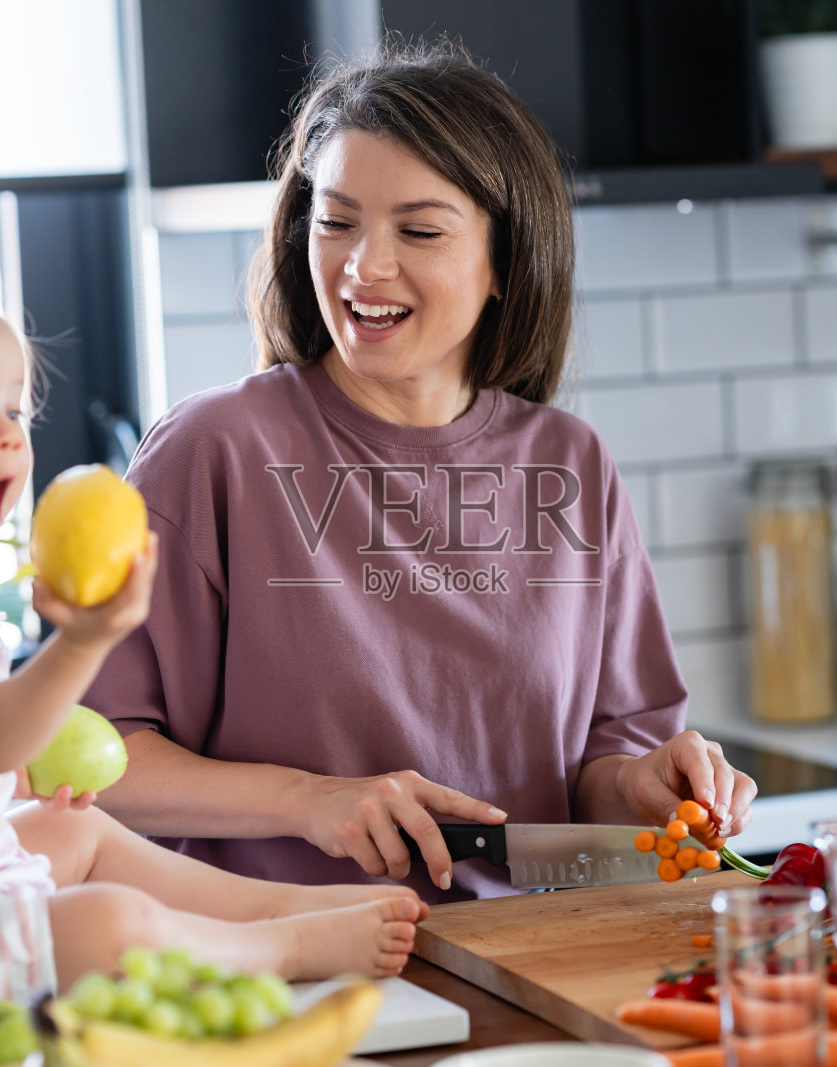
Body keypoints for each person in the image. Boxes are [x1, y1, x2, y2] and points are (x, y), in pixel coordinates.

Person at [85, 40, 759, 904]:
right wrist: (308, 801)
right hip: (289, 969)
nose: (365, 265)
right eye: (336, 221)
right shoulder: (215, 451)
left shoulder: (569, 464)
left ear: (505, 265)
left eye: (419, 229)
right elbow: (95, 759)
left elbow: (601, 768)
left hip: (523, 965)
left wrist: (645, 786)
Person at [0, 282, 426, 1043]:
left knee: (75, 832)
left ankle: (280, 903)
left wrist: (21, 777)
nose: (7, 437)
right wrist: (86, 638)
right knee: (104, 921)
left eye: (14, 411)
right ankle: (283, 944)